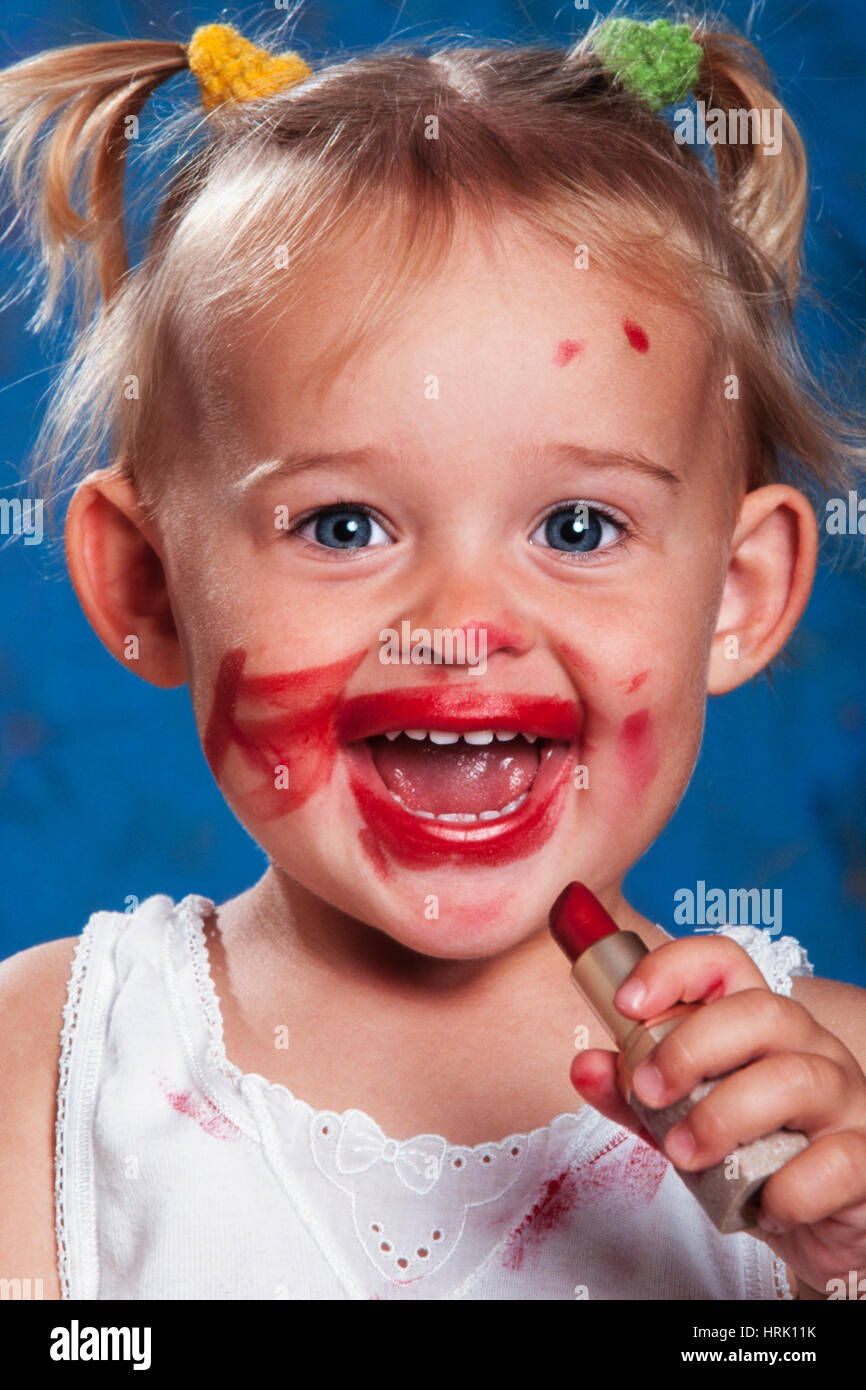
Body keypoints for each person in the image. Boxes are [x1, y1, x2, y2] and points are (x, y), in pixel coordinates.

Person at [0, 13, 864, 1300]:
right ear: (150, 584)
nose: (460, 622)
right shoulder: (48, 1069)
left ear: (735, 595)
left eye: (578, 526)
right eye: (342, 525)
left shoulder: (833, 1100)